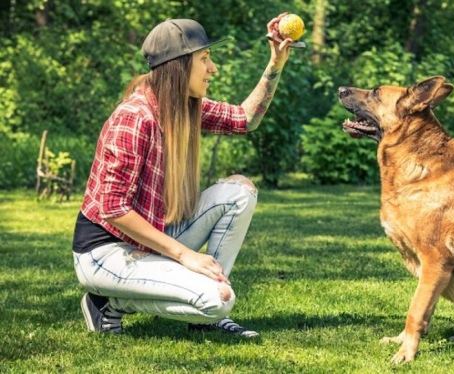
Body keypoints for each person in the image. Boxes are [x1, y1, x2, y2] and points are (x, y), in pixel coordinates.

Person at [72, 15, 294, 338]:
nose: (213, 68)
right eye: (204, 59)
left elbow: (245, 119)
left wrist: (276, 63)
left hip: (147, 238)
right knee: (219, 300)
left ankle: (207, 312)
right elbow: (113, 208)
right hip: (105, 252)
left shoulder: (184, 107)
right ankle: (108, 303)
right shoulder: (134, 118)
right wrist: (186, 255)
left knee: (240, 192)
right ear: (178, 65)